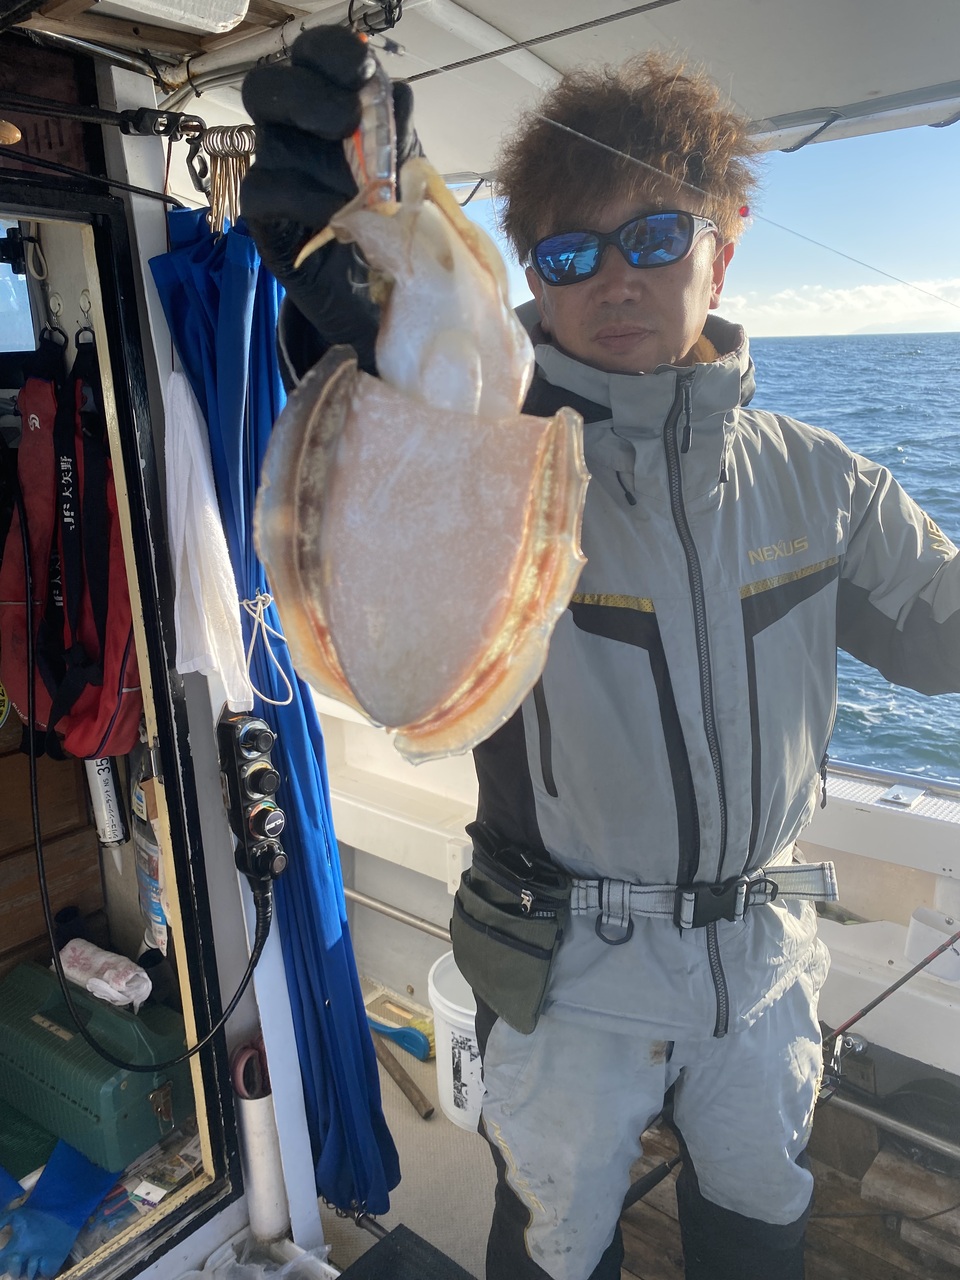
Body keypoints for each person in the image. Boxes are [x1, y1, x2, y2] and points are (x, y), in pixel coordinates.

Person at [240, 28, 960, 1280]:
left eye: (657, 237)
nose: (616, 279)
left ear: (724, 244)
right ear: (532, 271)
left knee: (758, 1227)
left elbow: (944, 632)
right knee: (554, 1241)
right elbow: (401, 438)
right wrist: (352, 325)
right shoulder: (492, 445)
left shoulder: (825, 482)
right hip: (563, 968)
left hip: (761, 957)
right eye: (572, 252)